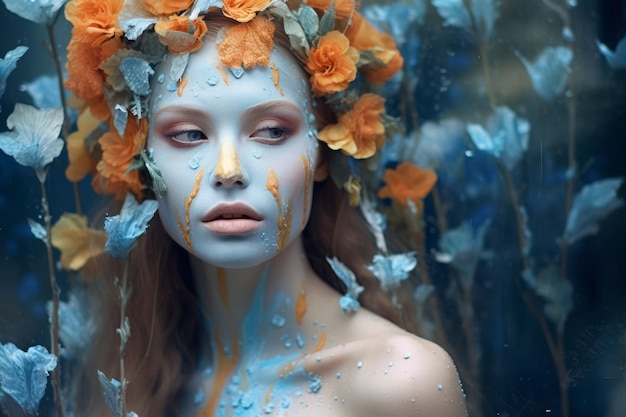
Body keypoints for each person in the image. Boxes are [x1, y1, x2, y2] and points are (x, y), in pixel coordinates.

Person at [61, 1, 469, 416]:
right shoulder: (146, 375)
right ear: (137, 159)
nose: (228, 170)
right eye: (187, 134)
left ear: (324, 150)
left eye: (272, 132)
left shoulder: (398, 381)